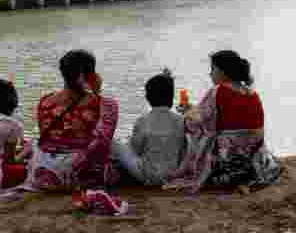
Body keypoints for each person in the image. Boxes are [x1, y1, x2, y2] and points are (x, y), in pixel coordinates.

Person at [164, 50, 281, 193]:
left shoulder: (218, 91)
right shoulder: (252, 93)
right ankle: (242, 178)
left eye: (212, 69)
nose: (210, 73)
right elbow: (226, 117)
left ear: (222, 71)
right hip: (254, 156)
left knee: (193, 128)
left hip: (228, 157)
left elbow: (199, 121)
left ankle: (203, 170)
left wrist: (186, 113)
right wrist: (192, 110)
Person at [22, 49, 120, 190]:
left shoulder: (45, 101)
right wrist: (97, 93)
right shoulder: (105, 104)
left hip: (41, 172)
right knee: (114, 155)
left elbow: (48, 137)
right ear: (92, 75)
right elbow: (103, 143)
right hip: (76, 176)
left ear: (63, 73)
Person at [113, 70, 187, 187]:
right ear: (172, 97)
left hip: (147, 176)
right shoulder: (181, 120)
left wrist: (127, 144)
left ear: (148, 98)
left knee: (115, 144)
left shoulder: (143, 121)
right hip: (172, 175)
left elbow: (135, 150)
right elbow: (183, 149)